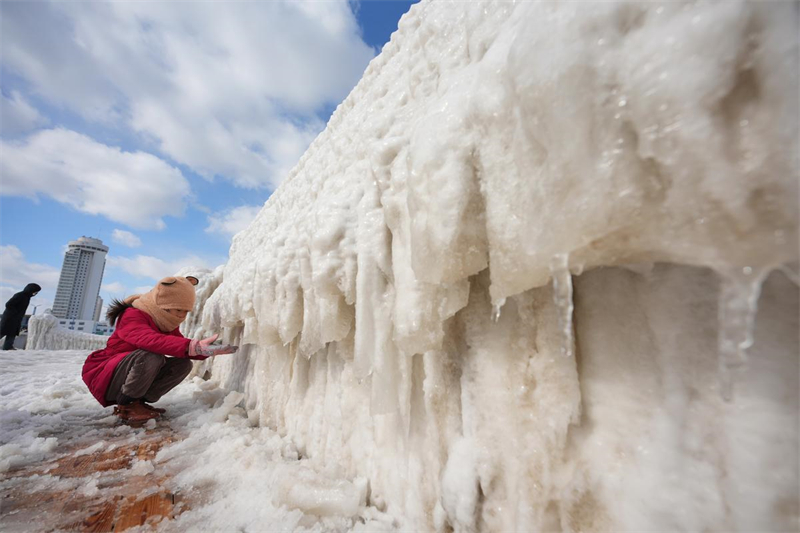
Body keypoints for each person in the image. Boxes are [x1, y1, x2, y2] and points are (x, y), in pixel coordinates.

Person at [82, 275, 238, 423]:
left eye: (186, 311)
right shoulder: (132, 315)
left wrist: (206, 350)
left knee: (183, 364)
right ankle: (127, 405)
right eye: (178, 310)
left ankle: (139, 402)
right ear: (164, 305)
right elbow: (149, 340)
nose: (182, 316)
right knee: (151, 356)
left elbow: (181, 345)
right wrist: (193, 346)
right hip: (104, 373)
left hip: (127, 373)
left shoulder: (165, 322)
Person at [0, 283, 41, 350]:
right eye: (35, 291)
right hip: (10, 318)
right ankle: (8, 347)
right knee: (3, 332)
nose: (35, 293)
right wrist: (15, 312)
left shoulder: (27, 297)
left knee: (12, 333)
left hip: (16, 318)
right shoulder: (20, 295)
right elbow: (9, 304)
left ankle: (8, 347)